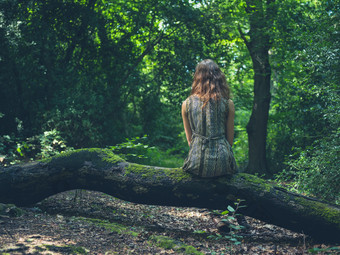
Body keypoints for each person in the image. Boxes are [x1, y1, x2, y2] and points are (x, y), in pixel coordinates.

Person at [181, 59, 237, 177]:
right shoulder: (228, 103)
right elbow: (230, 141)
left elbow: (190, 141)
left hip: (196, 163)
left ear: (197, 78)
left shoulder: (186, 104)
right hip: (222, 163)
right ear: (219, 78)